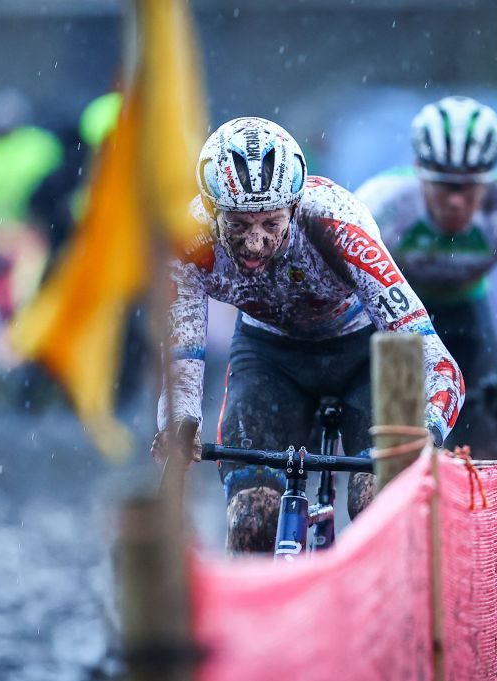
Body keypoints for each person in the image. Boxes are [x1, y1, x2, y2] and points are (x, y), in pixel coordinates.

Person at [151, 117, 464, 554]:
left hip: (363, 354)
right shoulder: (190, 242)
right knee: (252, 522)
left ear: (295, 209)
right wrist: (180, 422)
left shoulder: (336, 222)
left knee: (376, 503)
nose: (255, 243)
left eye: (271, 224)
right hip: (269, 357)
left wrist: (428, 428)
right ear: (211, 209)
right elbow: (183, 355)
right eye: (238, 226)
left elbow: (436, 359)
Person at [356, 96, 497, 458]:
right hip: (393, 316)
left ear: (489, 177)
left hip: (467, 316)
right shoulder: (381, 202)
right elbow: (347, 288)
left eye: (470, 186)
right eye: (445, 185)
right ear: (418, 169)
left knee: (484, 438)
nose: (456, 201)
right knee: (389, 436)